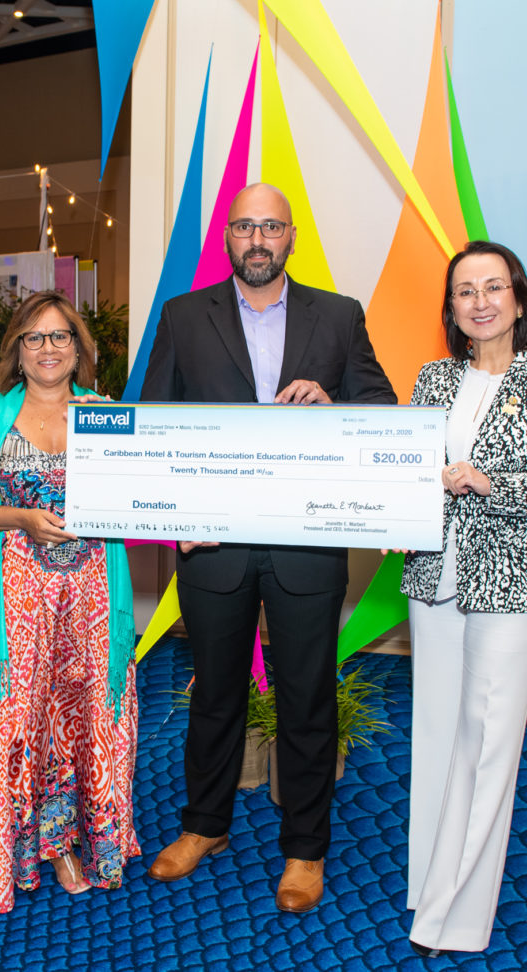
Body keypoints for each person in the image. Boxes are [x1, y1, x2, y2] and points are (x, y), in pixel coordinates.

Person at [141, 183, 396, 912]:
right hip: (211, 543)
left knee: (307, 697)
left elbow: (379, 409)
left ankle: (305, 849)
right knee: (214, 693)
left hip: (306, 542)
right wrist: (174, 513)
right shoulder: (184, 317)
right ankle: (204, 826)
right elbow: (157, 422)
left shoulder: (339, 316)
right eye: (245, 225)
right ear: (229, 236)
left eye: (271, 227)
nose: (258, 238)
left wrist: (334, 404)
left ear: (291, 237)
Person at [399, 241, 527, 956]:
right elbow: (410, 471)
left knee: (487, 741)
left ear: (517, 298)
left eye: (493, 287)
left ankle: (456, 915)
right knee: (438, 734)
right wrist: (396, 518)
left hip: (512, 583)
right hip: (434, 577)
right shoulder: (432, 378)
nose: (479, 302)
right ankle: (428, 883)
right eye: (463, 291)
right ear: (450, 308)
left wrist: (491, 483)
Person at [0, 291, 139, 914]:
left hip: (94, 592)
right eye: (35, 337)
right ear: (17, 352)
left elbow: (145, 487)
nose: (49, 348)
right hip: (14, 593)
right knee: (17, 718)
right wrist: (17, 516)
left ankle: (77, 843)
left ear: (78, 350)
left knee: (89, 717)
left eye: (60, 337)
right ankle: (16, 852)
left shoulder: (108, 414)